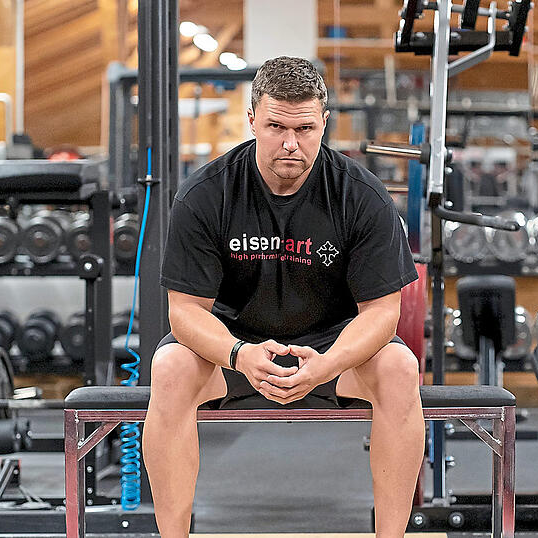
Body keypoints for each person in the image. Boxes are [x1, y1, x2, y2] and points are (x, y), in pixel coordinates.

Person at [142, 56, 424, 538]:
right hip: (233, 348)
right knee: (168, 368)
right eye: (275, 125)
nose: (290, 142)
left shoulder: (362, 196)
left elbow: (383, 314)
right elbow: (185, 312)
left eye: (305, 128)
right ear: (251, 118)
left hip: (333, 348)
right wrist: (239, 354)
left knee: (400, 370)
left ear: (324, 123)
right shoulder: (205, 195)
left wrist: (329, 363)